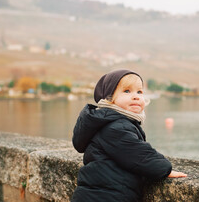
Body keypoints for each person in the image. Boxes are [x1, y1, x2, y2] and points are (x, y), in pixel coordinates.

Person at [71, 69, 187, 202]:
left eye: (139, 91)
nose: (136, 96)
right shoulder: (116, 127)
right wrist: (165, 169)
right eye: (127, 91)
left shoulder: (110, 122)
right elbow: (140, 155)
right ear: (109, 99)